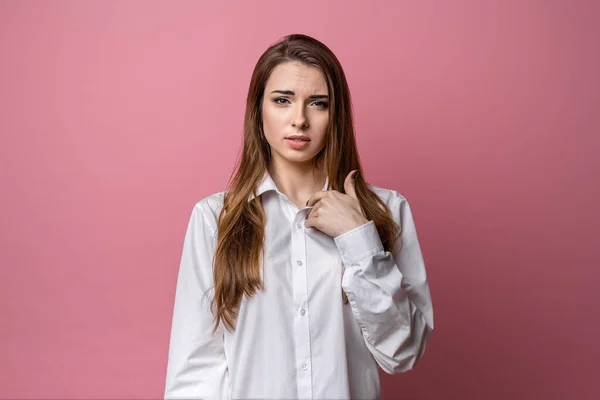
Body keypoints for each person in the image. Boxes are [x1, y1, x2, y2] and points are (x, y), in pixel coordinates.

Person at [163, 33, 434, 400]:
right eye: (282, 100)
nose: (299, 120)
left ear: (335, 114)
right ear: (259, 110)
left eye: (318, 103)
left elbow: (403, 351)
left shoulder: (386, 212)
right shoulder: (215, 219)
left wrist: (359, 237)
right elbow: (194, 372)